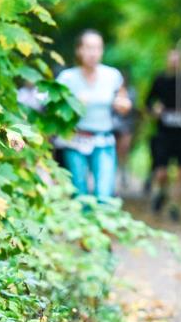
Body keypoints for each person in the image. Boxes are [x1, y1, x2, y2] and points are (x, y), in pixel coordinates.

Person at [55, 29, 131, 202]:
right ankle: (83, 227)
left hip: (103, 140)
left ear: (102, 51)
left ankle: (103, 225)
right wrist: (73, 103)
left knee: (104, 194)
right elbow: (52, 107)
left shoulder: (112, 75)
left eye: (97, 48)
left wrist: (122, 105)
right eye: (88, 48)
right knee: (79, 193)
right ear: (79, 50)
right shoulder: (67, 78)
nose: (93, 53)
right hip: (74, 140)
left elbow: (125, 103)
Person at [145, 48, 181, 222]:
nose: (175, 63)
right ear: (168, 61)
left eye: (178, 60)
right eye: (172, 60)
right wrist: (154, 109)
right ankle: (161, 193)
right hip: (164, 132)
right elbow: (148, 102)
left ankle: (175, 206)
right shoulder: (160, 80)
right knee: (161, 172)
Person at [112, 70, 140, 192]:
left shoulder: (131, 93)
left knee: (124, 149)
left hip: (126, 127)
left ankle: (124, 173)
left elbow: (133, 111)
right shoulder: (110, 92)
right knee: (115, 150)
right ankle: (116, 174)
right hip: (112, 126)